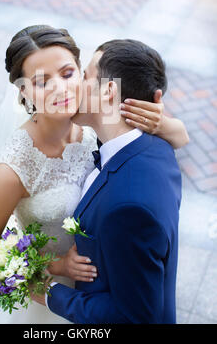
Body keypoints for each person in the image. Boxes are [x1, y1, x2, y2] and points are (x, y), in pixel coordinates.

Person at [0, 28, 188, 324]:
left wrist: (171, 129)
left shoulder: (95, 123)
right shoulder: (14, 165)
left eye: (67, 74)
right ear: (24, 91)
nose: (60, 90)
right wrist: (57, 266)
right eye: (41, 82)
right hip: (52, 297)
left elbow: (150, 144)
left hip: (109, 281)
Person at [31, 39, 187, 324]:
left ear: (109, 90)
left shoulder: (128, 207)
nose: (76, 84)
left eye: (86, 75)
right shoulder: (160, 145)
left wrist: (50, 293)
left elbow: (134, 316)